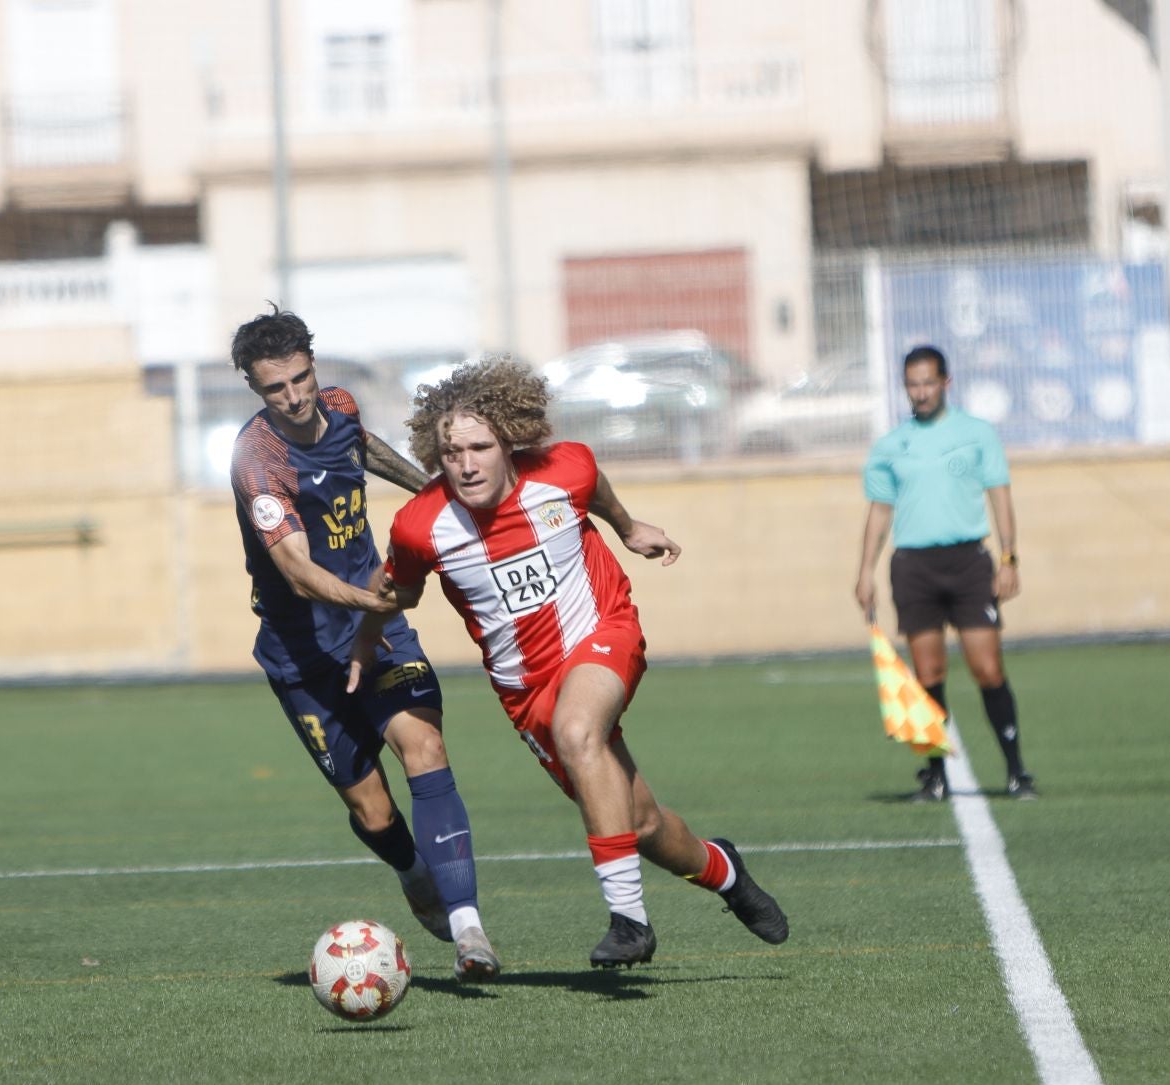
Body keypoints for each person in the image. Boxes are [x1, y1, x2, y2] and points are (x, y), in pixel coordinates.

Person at [353, 356, 790, 969]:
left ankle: (630, 922)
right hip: (523, 689)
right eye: (452, 452)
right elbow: (395, 587)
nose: (467, 463)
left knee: (577, 728)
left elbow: (597, 487)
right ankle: (725, 872)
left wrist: (628, 526)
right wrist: (366, 640)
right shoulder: (422, 525)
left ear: (510, 443)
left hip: (604, 632)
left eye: (481, 447)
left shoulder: (564, 470)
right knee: (639, 825)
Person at [227, 307, 500, 981]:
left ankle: (469, 931)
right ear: (255, 389)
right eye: (274, 389)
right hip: (302, 655)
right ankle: (412, 870)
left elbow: (364, 448)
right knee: (371, 808)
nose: (293, 398)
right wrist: (370, 596)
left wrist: (439, 492)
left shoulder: (339, 406)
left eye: (300, 379)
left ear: (313, 365)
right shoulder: (258, 461)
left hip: (379, 635)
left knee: (425, 746)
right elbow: (296, 569)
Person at [853, 345, 1037, 802]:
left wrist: (1009, 557)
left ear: (945, 383)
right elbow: (879, 512)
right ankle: (935, 776)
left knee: (987, 668)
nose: (921, 392)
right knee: (928, 672)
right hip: (914, 567)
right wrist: (865, 571)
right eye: (913, 384)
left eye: (928, 383)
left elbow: (999, 495)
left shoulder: (976, 434)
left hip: (968, 563)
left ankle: (1016, 771)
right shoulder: (891, 446)